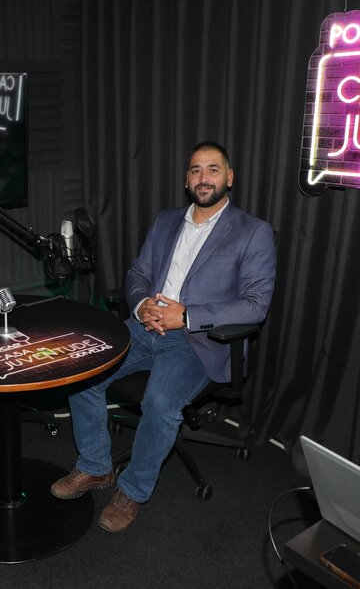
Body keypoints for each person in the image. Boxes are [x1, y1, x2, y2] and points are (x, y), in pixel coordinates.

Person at [50, 142, 277, 533]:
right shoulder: (167, 220)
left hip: (198, 341)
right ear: (186, 179)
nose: (203, 178)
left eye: (213, 169)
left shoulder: (253, 232)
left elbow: (255, 305)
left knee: (159, 402)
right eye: (195, 170)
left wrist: (185, 315)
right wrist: (142, 306)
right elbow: (138, 273)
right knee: (81, 370)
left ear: (229, 177)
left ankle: (133, 491)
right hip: (145, 327)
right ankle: (96, 466)